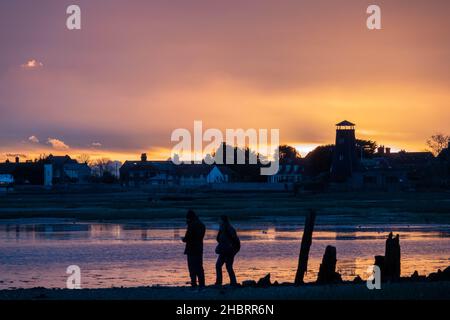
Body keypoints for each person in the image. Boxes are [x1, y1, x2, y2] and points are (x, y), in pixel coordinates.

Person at [182, 209, 206, 288]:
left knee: (192, 267)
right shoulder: (202, 224)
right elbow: (199, 237)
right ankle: (202, 284)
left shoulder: (191, 225)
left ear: (189, 217)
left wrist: (183, 239)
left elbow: (187, 238)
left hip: (191, 249)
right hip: (199, 248)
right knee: (199, 267)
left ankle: (194, 283)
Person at [215, 215, 240, 286]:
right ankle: (219, 282)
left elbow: (235, 240)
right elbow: (219, 239)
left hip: (229, 251)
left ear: (223, 220)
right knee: (218, 265)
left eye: (219, 220)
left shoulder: (229, 228)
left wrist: (233, 250)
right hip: (223, 251)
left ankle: (233, 283)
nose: (218, 221)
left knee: (228, 266)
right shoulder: (221, 228)